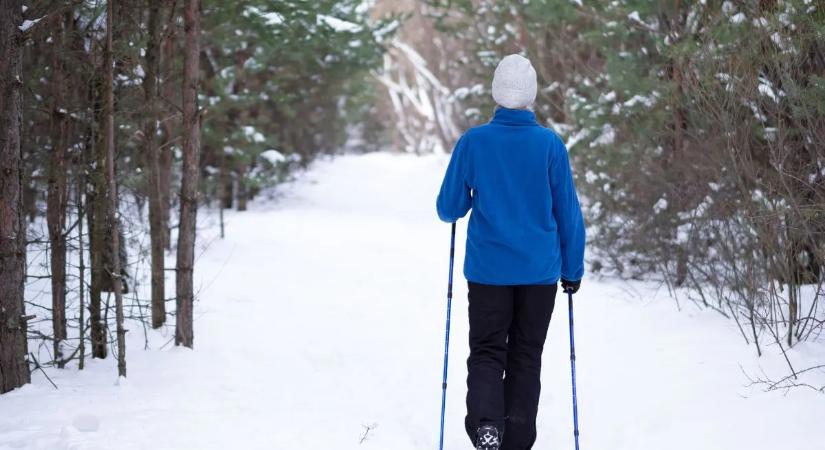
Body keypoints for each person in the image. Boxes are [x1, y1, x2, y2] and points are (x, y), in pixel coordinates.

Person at [436, 54, 585, 450]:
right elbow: (568, 214)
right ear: (532, 95)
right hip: (539, 273)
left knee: (486, 350)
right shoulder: (550, 145)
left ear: (496, 93)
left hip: (488, 271)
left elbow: (448, 208)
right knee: (525, 354)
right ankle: (518, 438)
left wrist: (475, 191)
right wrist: (573, 270)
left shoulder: (474, 142)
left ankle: (487, 426)